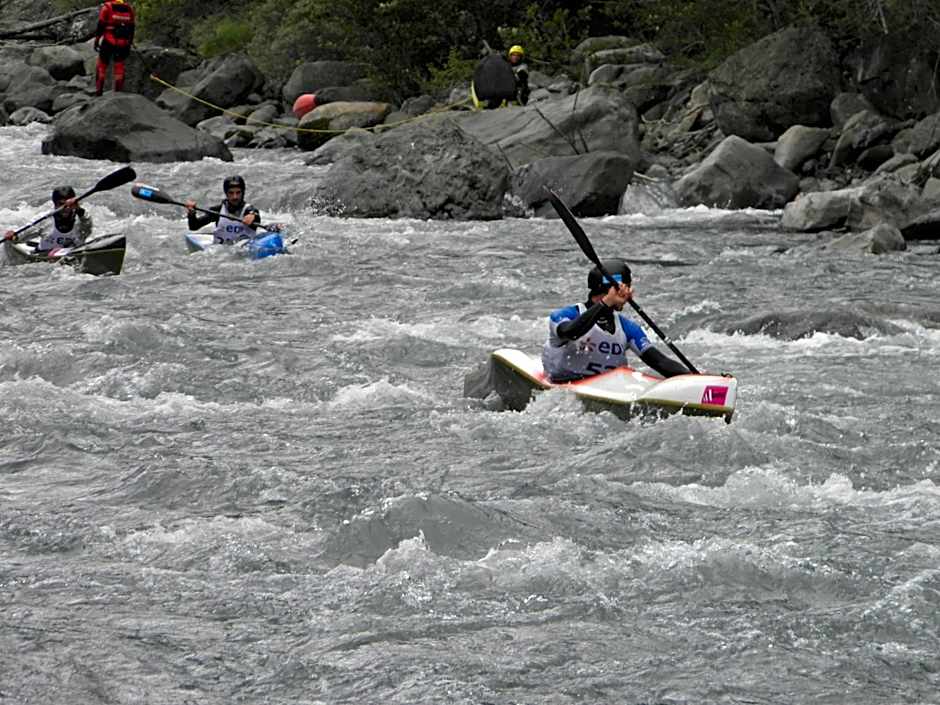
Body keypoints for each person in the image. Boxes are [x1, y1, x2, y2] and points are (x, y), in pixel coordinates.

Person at [542, 259, 690, 382]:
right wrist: (606, 302)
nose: (628, 295)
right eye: (625, 289)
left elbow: (659, 362)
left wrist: (693, 379)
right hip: (563, 382)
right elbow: (571, 332)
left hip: (606, 389)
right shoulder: (565, 315)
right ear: (610, 291)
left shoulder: (628, 328)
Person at [3, 186, 93, 251]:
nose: (67, 208)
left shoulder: (81, 218)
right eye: (61, 204)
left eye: (69, 205)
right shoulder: (45, 219)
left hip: (72, 254)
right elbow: (22, 235)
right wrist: (13, 236)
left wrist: (79, 209)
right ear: (54, 204)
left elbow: (87, 228)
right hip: (44, 255)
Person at [185, 175, 261, 244]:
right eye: (231, 193)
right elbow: (194, 226)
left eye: (238, 193)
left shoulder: (249, 210)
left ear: (243, 193)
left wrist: (252, 216)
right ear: (226, 194)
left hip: (243, 253)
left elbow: (255, 216)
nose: (235, 197)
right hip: (220, 252)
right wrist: (191, 214)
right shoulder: (217, 210)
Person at [94, 0, 136, 96]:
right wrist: (130, 42)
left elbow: (100, 25)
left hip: (108, 41)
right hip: (123, 42)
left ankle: (99, 91)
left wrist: (96, 41)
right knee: (119, 66)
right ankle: (118, 93)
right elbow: (132, 27)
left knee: (102, 66)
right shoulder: (129, 9)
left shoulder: (107, 7)